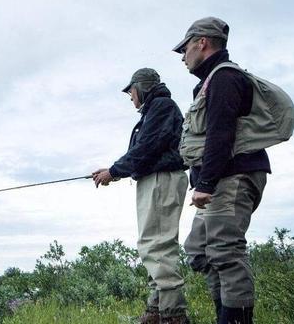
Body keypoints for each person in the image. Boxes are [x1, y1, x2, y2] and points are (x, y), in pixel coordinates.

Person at [173, 17, 272, 324]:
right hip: (219, 180)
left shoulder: (225, 78)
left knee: (225, 252)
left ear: (202, 42)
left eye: (185, 48)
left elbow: (221, 134)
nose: (182, 56)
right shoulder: (208, 83)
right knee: (199, 249)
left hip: (232, 177)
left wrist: (206, 182)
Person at [93, 68, 189, 324]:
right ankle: (157, 310)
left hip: (162, 179)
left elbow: (147, 146)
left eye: (130, 91)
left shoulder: (161, 106)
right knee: (152, 243)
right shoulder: (157, 108)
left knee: (158, 245)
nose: (130, 97)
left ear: (141, 87)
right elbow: (146, 148)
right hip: (155, 179)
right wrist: (113, 171)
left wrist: (113, 171)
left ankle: (173, 315)